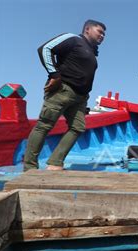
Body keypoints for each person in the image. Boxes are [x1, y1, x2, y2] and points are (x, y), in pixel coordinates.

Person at [23, 20, 106, 171]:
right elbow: (45, 48)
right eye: (99, 31)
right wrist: (54, 74)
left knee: (78, 128)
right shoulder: (74, 39)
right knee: (44, 125)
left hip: (80, 98)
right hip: (62, 90)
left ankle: (55, 162)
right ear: (87, 29)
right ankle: (29, 167)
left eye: (104, 34)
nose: (102, 35)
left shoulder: (92, 52)